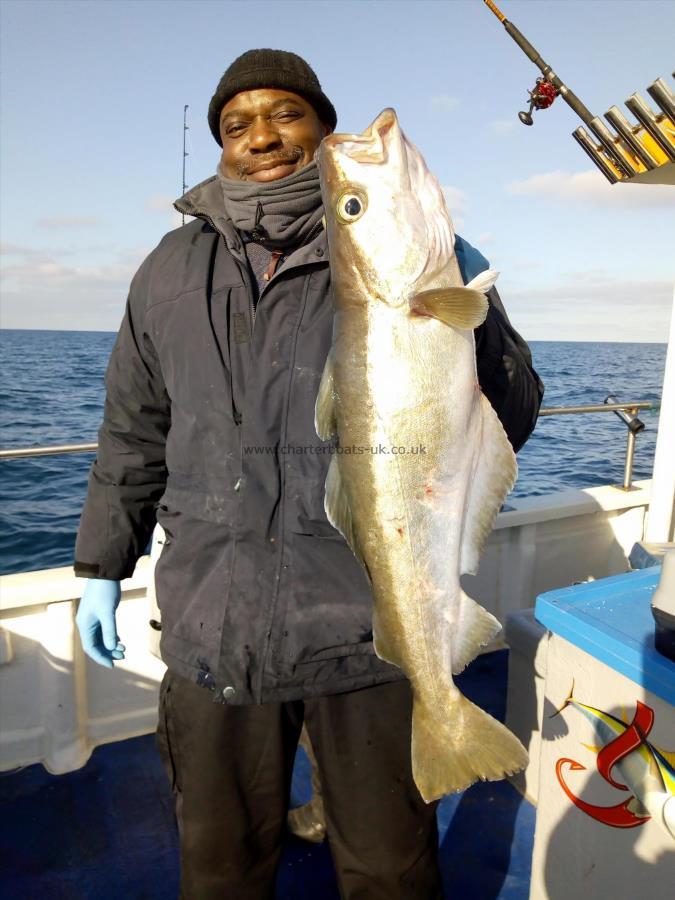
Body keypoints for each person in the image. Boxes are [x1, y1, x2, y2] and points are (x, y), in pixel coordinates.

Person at [74, 49, 544, 900]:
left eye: (284, 114)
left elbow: (511, 416)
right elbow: (132, 434)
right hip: (212, 629)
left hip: (363, 632)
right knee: (218, 872)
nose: (261, 136)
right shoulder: (166, 270)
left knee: (390, 871)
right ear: (220, 144)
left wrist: (472, 311)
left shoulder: (403, 259)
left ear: (322, 132)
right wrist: (102, 568)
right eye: (236, 123)